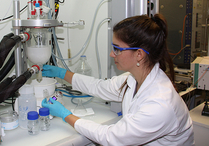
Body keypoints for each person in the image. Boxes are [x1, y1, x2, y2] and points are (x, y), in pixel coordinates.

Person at [41, 14, 194, 146]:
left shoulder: (159, 104)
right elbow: (99, 87)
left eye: (117, 49)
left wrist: (65, 115)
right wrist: (62, 73)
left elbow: (111, 138)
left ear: (139, 54)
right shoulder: (134, 79)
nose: (112, 54)